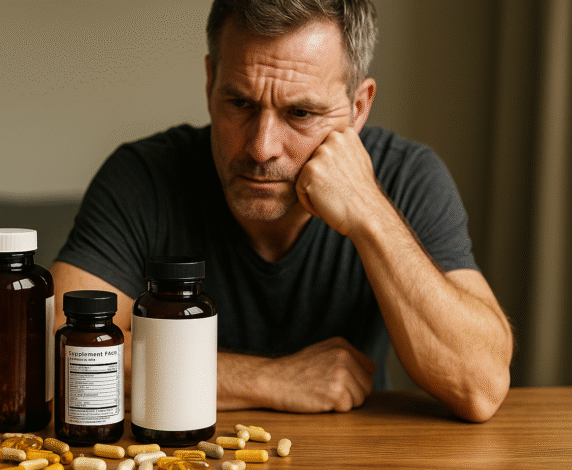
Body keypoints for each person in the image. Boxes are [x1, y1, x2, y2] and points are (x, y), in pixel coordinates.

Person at [52, 0, 513, 423]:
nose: (261, 148)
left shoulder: (407, 176)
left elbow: (480, 385)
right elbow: (57, 356)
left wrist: (371, 213)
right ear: (210, 81)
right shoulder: (143, 177)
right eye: (240, 103)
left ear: (358, 108)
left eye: (301, 113)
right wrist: (273, 380)